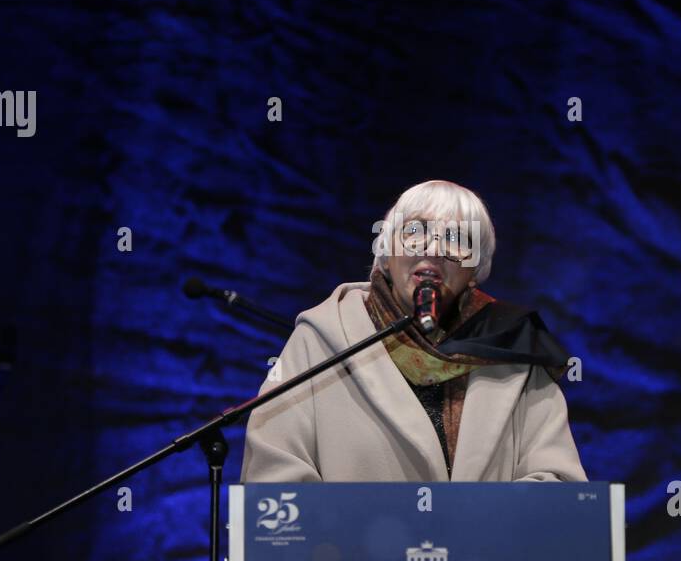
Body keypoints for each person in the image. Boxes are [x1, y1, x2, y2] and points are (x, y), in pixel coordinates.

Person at [240, 180, 587, 482]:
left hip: (483, 557)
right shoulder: (320, 340)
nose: (433, 250)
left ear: (475, 269)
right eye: (415, 233)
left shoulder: (515, 345)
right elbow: (276, 477)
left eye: (456, 239)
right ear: (385, 253)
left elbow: (556, 482)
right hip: (349, 556)